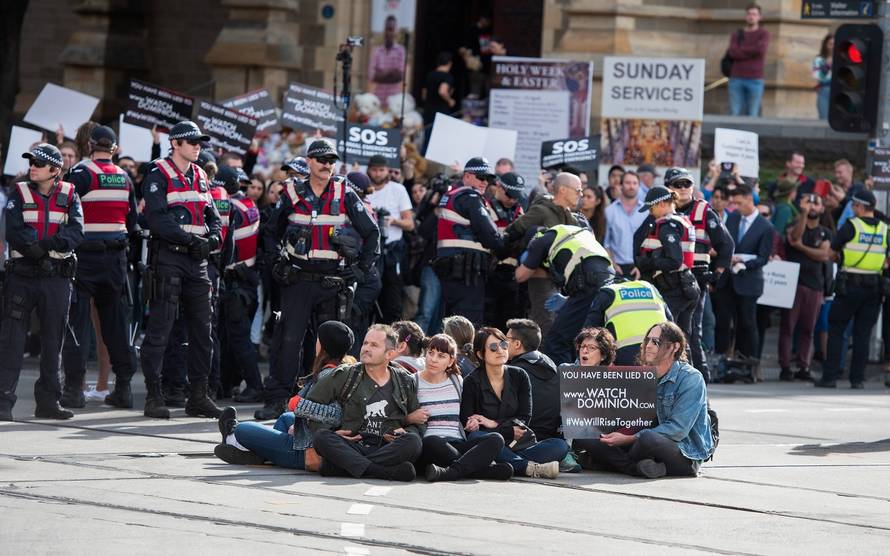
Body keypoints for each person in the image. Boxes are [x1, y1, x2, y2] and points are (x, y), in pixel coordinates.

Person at [256, 140, 380, 420]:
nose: (327, 164)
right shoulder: (291, 192)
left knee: (331, 344)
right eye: (321, 159)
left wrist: (360, 269)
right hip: (298, 279)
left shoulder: (344, 191)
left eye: (331, 160)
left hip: (332, 281)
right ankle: (278, 399)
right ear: (309, 161)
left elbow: (372, 233)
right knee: (288, 340)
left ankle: (326, 399)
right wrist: (276, 262)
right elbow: (270, 232)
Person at [140, 121, 224, 419]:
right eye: (191, 142)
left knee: (204, 330)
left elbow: (213, 216)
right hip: (169, 258)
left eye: (199, 142)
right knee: (160, 328)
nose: (197, 146)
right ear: (175, 143)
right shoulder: (157, 172)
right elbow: (158, 219)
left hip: (197, 261)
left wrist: (213, 239)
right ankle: (154, 395)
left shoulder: (200, 174)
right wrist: (192, 241)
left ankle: (198, 396)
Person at [0, 144, 84, 421]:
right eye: (32, 161)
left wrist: (45, 246)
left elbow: (75, 233)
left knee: (52, 342)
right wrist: (36, 252)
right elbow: (14, 229)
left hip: (56, 278)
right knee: (12, 342)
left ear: (54, 170)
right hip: (22, 276)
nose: (32, 166)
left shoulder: (70, 194)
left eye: (38, 162)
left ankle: (49, 402)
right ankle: (3, 403)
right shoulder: (19, 191)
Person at [60, 126, 139, 410]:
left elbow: (64, 212)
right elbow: (133, 221)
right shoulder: (124, 177)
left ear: (91, 145)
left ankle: (73, 391)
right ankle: (124, 388)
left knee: (77, 324)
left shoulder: (81, 174)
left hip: (85, 258)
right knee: (116, 325)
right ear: (114, 149)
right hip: (115, 259)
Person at [573, 322, 714, 478]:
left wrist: (629, 439)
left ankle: (610, 464)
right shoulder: (642, 375)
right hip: (640, 448)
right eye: (648, 340)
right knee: (584, 434)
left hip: (682, 451)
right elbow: (629, 417)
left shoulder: (691, 378)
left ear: (674, 347)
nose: (648, 345)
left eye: (656, 342)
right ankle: (637, 468)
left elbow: (678, 430)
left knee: (648, 438)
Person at [213, 320, 355, 467]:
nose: (316, 343)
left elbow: (335, 416)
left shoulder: (329, 375)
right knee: (286, 418)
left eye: (318, 340)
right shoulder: (340, 369)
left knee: (242, 429)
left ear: (324, 346)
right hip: (315, 439)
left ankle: (232, 439)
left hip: (307, 451)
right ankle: (261, 454)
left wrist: (299, 405)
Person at [308, 325, 424, 482]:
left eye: (374, 345)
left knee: (413, 442)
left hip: (387, 447)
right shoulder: (346, 374)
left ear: (389, 353)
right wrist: (330, 430)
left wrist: (406, 431)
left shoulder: (404, 380)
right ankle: (381, 471)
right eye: (365, 343)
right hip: (352, 443)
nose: (366, 348)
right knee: (322, 437)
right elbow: (309, 405)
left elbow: (417, 422)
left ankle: (343, 467)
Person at [460, 327, 569, 479]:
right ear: (480, 354)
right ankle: (528, 468)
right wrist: (506, 430)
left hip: (518, 444)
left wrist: (493, 423)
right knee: (480, 438)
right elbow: (469, 424)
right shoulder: (471, 381)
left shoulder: (519, 375)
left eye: (504, 345)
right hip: (489, 443)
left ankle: (507, 463)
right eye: (493, 347)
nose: (501, 350)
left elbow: (524, 417)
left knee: (560, 446)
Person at [664, 168, 733, 382]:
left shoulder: (703, 211)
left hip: (694, 281)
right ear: (669, 188)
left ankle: (699, 381)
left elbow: (726, 244)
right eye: (678, 184)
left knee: (692, 332)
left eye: (687, 184)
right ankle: (674, 377)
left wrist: (717, 273)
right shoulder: (664, 210)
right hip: (668, 283)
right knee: (669, 331)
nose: (683, 188)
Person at [416, 334, 514, 481]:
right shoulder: (412, 381)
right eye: (430, 353)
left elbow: (466, 414)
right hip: (431, 445)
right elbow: (400, 416)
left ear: (450, 362)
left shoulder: (457, 380)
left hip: (457, 443)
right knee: (432, 441)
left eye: (441, 355)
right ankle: (478, 470)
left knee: (496, 439)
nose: (433, 359)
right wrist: (411, 417)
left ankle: (451, 472)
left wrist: (472, 422)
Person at [817, 190, 888, 389]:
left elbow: (831, 253)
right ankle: (857, 379)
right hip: (874, 287)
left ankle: (829, 377)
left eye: (854, 206)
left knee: (837, 330)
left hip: (849, 285)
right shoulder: (884, 228)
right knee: (863, 334)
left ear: (859, 206)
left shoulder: (852, 225)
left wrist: (841, 258)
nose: (853, 209)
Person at [516, 224, 615, 365]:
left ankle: (562, 385)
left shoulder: (540, 241)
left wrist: (524, 259)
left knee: (558, 339)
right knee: (589, 337)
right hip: (607, 280)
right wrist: (569, 301)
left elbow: (521, 275)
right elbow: (583, 262)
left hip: (587, 284)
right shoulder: (574, 232)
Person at [506, 172, 589, 337]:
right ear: (563, 190)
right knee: (546, 326)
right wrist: (527, 257)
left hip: (563, 282)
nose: (581, 195)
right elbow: (511, 234)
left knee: (560, 326)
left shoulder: (571, 218)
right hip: (541, 278)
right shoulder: (541, 211)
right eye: (578, 190)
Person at [433, 157, 505, 325]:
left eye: (487, 179)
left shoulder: (450, 195)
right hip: (467, 272)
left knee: (452, 322)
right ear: (466, 176)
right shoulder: (470, 197)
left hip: (451, 269)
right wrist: (506, 242)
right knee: (468, 324)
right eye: (481, 177)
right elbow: (491, 237)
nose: (484, 183)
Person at [215, 167, 264, 402]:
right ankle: (226, 384)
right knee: (230, 337)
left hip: (235, 280)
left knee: (238, 338)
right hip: (248, 279)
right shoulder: (250, 204)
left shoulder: (231, 207)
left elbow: (223, 242)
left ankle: (254, 385)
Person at [711, 184, 774, 363]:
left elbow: (763, 258)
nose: (736, 207)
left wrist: (744, 262)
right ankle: (720, 359)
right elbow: (725, 244)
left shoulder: (766, 227)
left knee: (747, 323)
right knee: (723, 321)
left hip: (748, 281)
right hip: (728, 280)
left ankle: (749, 362)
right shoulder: (732, 219)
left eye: (739, 203)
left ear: (749, 199)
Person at [633, 186, 700, 339]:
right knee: (683, 339)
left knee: (668, 339)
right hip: (687, 284)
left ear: (661, 204)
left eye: (651, 208)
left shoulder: (667, 225)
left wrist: (646, 263)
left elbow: (674, 261)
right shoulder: (683, 220)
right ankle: (686, 363)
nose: (650, 213)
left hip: (673, 289)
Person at [780, 194, 832, 381]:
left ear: (822, 209)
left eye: (816, 203)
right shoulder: (794, 224)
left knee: (808, 329)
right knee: (787, 327)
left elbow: (824, 255)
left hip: (815, 286)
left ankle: (804, 366)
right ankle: (785, 366)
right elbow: (795, 236)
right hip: (793, 284)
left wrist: (801, 248)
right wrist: (802, 212)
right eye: (809, 203)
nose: (812, 206)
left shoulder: (825, 232)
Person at [366, 154, 414, 324]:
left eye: (381, 170)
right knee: (367, 299)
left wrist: (393, 221)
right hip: (369, 251)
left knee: (392, 300)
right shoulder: (363, 188)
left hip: (393, 252)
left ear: (387, 170)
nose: (378, 174)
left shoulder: (398, 189)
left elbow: (410, 223)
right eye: (374, 170)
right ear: (368, 170)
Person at [586, 279, 670, 366]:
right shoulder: (651, 288)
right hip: (662, 351)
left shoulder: (608, 292)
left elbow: (588, 332)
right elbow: (672, 325)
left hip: (627, 356)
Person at [505, 319, 560, 440]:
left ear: (517, 344)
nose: (502, 344)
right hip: (551, 437)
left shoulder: (514, 371)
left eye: (506, 339)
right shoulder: (551, 364)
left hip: (522, 438)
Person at [484, 172, 526, 331]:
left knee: (509, 320)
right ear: (499, 188)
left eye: (516, 196)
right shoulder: (485, 207)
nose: (513, 200)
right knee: (489, 318)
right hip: (491, 271)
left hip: (513, 274)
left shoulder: (520, 210)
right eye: (510, 195)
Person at [726, 3, 770, 117]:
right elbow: (732, 52)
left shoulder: (764, 34)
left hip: (755, 79)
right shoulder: (737, 34)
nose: (751, 16)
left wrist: (742, 50)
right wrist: (751, 51)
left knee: (752, 114)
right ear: (746, 16)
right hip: (736, 78)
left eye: (754, 14)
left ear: (760, 17)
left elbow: (760, 50)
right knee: (734, 112)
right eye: (749, 14)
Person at [603, 171, 647, 277]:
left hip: (642, 268)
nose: (631, 186)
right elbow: (606, 243)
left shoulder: (647, 212)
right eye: (627, 183)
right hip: (617, 268)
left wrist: (642, 266)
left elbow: (649, 241)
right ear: (621, 185)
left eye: (634, 183)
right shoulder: (609, 211)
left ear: (639, 186)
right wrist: (613, 265)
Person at [367, 15, 406, 109]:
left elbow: (399, 76)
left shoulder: (400, 50)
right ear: (384, 30)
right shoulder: (377, 51)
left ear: (395, 31)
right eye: (387, 29)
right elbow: (372, 76)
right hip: (378, 98)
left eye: (391, 29)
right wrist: (391, 72)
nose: (389, 33)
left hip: (394, 100)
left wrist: (382, 73)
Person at [422, 51, 456, 153]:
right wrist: (450, 101)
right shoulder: (447, 77)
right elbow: (442, 91)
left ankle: (424, 160)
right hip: (441, 111)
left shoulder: (430, 75)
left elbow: (424, 94)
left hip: (428, 111)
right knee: (439, 140)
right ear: (449, 63)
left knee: (427, 138)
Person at [812, 33, 833, 120]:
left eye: (835, 44)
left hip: (838, 91)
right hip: (825, 90)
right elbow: (818, 76)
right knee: (824, 118)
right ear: (825, 45)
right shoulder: (819, 59)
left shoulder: (843, 58)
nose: (833, 47)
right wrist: (827, 65)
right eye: (830, 44)